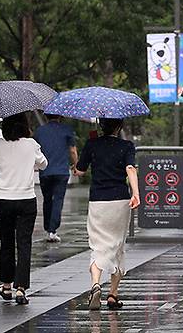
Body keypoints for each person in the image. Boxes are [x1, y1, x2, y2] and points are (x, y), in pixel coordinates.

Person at [73, 118, 139, 311]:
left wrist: (77, 165)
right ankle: (113, 294)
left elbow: (80, 170)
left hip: (98, 201)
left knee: (98, 245)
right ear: (119, 126)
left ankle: (95, 284)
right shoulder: (127, 146)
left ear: (101, 125)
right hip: (119, 200)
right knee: (118, 244)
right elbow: (130, 169)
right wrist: (136, 193)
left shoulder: (92, 144)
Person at [0, 113, 47, 305]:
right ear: (25, 125)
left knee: (6, 243)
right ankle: (20, 289)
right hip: (26, 199)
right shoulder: (31, 144)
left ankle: (6, 286)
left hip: (4, 199)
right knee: (24, 243)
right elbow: (44, 163)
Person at [34, 114, 78, 243]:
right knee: (58, 199)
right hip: (61, 172)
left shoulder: (39, 131)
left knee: (47, 200)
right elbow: (73, 150)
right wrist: (76, 165)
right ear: (60, 116)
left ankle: (48, 228)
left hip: (45, 171)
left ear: (46, 117)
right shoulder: (66, 130)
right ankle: (52, 230)